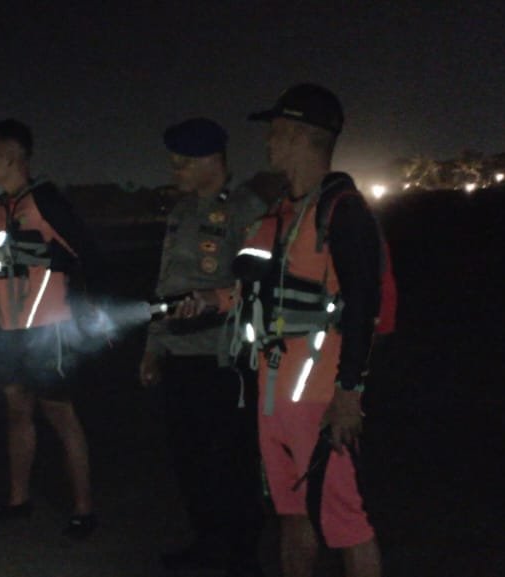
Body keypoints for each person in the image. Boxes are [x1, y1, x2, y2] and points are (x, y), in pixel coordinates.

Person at [182, 84, 385, 576]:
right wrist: (212, 300)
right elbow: (258, 291)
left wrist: (349, 394)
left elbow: (363, 306)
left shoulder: (342, 210)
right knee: (290, 513)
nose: (268, 143)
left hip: (318, 397)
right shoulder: (280, 213)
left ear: (298, 136)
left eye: (275, 133)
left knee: (346, 521)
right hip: (271, 393)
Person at [139, 118, 268, 576]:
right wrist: (153, 348)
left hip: (224, 359)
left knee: (233, 462)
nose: (174, 170)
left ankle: (243, 557)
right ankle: (207, 543)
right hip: (180, 357)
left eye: (182, 162)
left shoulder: (247, 210)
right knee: (189, 460)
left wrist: (214, 301)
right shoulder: (181, 212)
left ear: (211, 160)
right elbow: (165, 285)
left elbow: (259, 286)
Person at [0, 119, 99, 539]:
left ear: (13, 158)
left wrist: (85, 308)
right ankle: (18, 500)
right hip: (6, 332)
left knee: (61, 414)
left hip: (47, 330)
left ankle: (83, 510)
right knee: (17, 410)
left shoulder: (46, 201)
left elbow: (87, 254)